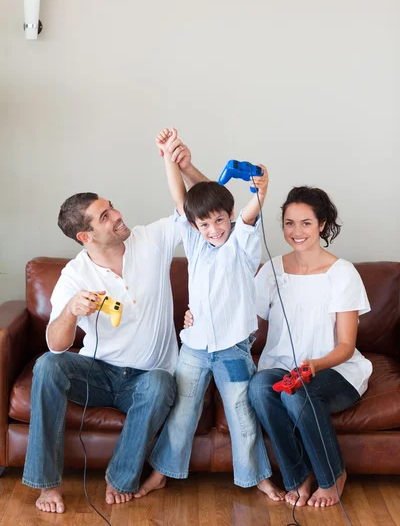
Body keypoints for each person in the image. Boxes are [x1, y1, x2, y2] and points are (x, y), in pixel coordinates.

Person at [22, 135, 205, 514]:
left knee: (159, 383)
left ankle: (119, 478)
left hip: (147, 376)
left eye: (112, 207)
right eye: (105, 217)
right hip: (98, 372)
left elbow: (202, 210)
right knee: (47, 365)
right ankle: (47, 484)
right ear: (85, 236)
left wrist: (182, 165)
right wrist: (72, 310)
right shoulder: (75, 274)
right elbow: (56, 345)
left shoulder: (149, 240)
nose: (117, 215)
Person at [134, 128, 286, 501]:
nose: (213, 230)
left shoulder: (241, 244)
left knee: (241, 414)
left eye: (219, 221)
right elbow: (181, 199)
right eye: (204, 224)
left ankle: (257, 477)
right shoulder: (196, 244)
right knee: (182, 413)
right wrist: (171, 159)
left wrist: (261, 193)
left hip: (233, 347)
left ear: (230, 217)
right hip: (195, 347)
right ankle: (161, 472)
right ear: (195, 227)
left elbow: (248, 213)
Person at [247, 186, 372, 507]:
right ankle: (298, 477)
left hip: (334, 369)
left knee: (296, 391)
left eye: (305, 223)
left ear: (322, 224)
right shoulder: (272, 270)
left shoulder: (342, 274)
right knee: (261, 387)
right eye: (289, 223)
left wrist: (313, 366)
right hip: (282, 367)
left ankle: (333, 476)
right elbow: (243, 319)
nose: (296, 231)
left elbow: (346, 346)